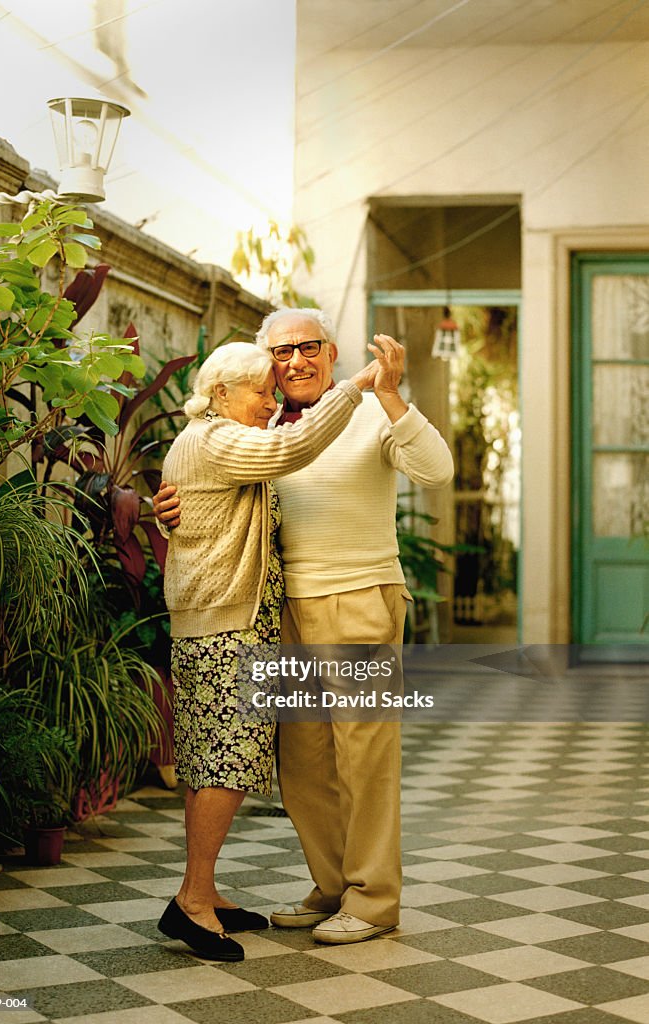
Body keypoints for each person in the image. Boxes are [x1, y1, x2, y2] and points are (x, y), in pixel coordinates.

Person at [155, 311, 453, 946]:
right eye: (281, 351)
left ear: (331, 351)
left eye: (307, 347)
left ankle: (373, 900)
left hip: (358, 599)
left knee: (365, 758)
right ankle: (333, 883)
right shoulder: (255, 427)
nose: (295, 360)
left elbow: (436, 470)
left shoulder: (370, 412)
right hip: (280, 608)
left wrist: (392, 395)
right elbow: (215, 503)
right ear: (266, 364)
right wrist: (168, 510)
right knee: (303, 762)